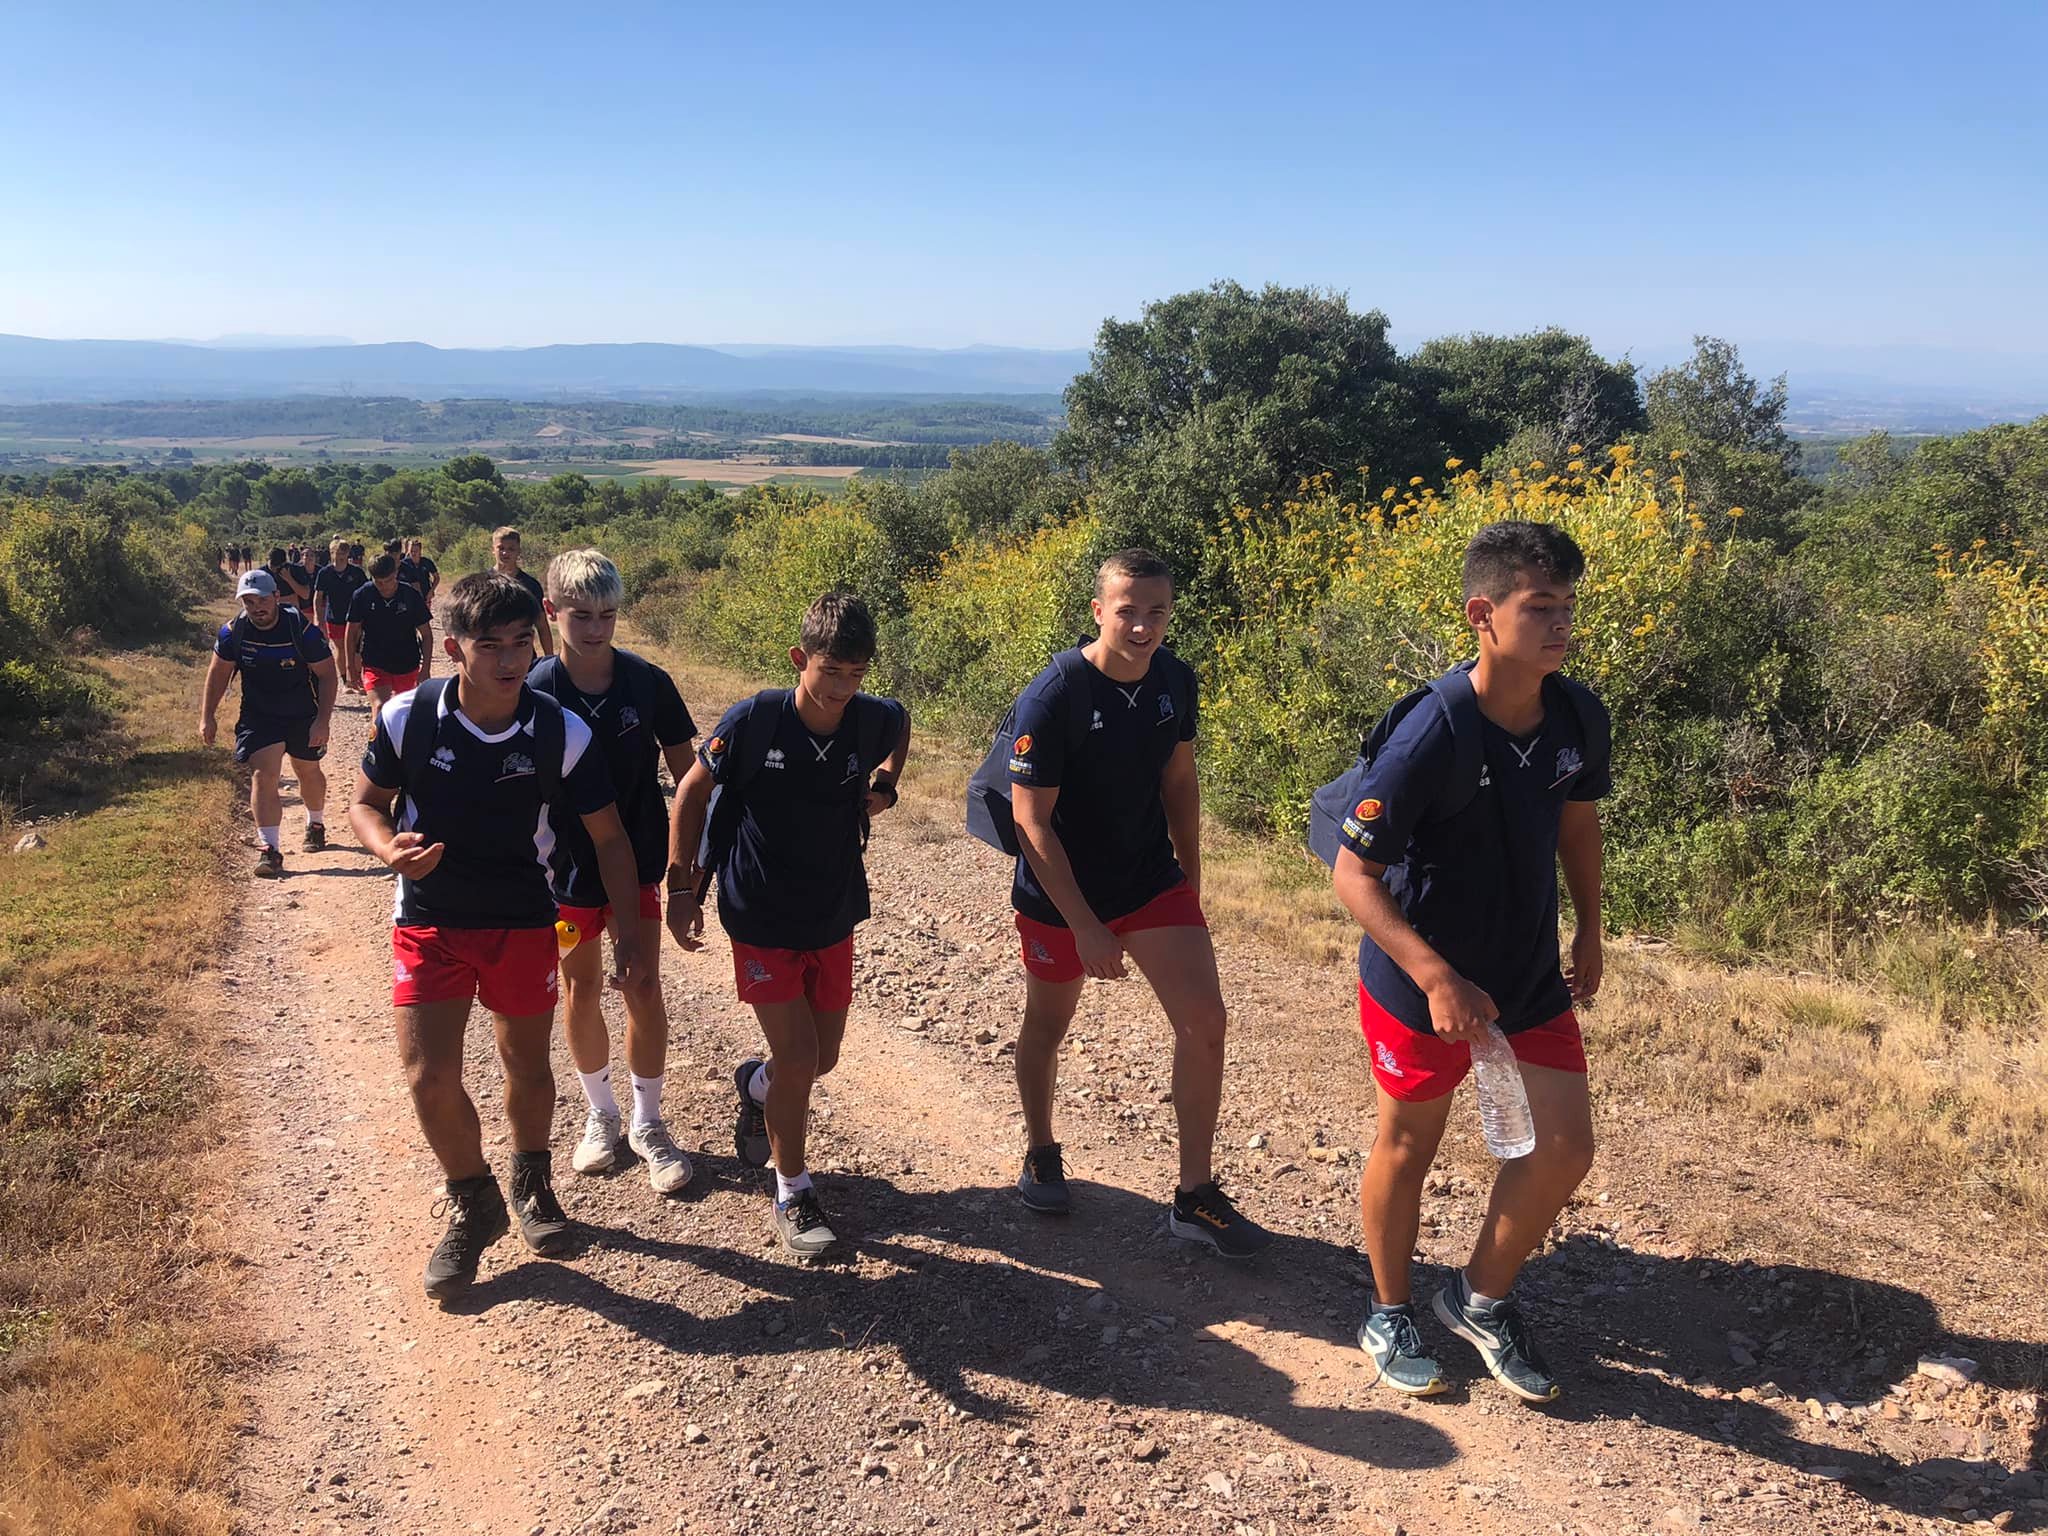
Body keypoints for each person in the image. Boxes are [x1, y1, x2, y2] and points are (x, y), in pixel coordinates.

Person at [1335, 521, 1610, 1405]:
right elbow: (1354, 873)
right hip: (1420, 981)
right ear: (1482, 615)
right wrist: (1434, 976)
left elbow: (1576, 823)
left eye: (1568, 605)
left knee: (1564, 1148)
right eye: (1540, 607)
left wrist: (1590, 929)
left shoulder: (1577, 713)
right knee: (1410, 1144)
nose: (1560, 624)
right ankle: (1389, 1308)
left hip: (1526, 971)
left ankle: (1480, 1298)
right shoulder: (1435, 730)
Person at [348, 572, 646, 1301]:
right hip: (429, 918)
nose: (511, 660)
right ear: (452, 647)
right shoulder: (406, 718)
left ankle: (530, 1179)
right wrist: (388, 850)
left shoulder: (559, 729)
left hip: (521, 921)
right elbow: (366, 804)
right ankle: (472, 1199)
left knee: (528, 1068)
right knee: (429, 1076)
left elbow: (609, 840)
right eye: (491, 645)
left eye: (521, 642)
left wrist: (631, 933)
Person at [996, 548, 1273, 1258]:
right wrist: (1087, 927)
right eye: (1128, 610)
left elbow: (1180, 781)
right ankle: (1040, 1151)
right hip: (1062, 894)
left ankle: (1194, 1195)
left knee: (1206, 1021)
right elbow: (1031, 822)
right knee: (1048, 1024)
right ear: (1099, 610)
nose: (1143, 626)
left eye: (1157, 612)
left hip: (1150, 878)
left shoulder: (1176, 681)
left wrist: (1192, 875)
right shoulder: (1055, 692)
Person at [667, 592, 909, 1260]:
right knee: (801, 1057)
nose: (841, 688)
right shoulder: (756, 720)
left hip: (832, 908)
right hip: (759, 910)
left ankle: (755, 1085)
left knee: (819, 1058)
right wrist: (681, 885)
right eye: (830, 671)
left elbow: (901, 724)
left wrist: (887, 785)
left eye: (856, 675)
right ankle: (793, 1189)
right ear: (800, 659)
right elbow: (692, 791)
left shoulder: (870, 718)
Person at [529, 550, 698, 1195]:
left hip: (639, 868)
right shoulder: (535, 688)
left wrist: (688, 874)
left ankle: (648, 1122)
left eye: (607, 614)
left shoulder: (648, 683)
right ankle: (600, 1115)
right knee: (581, 990)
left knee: (643, 984)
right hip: (562, 873)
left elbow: (690, 780)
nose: (597, 629)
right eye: (581, 616)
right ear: (553, 612)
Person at [199, 569, 339, 874]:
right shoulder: (234, 632)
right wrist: (207, 715)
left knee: (307, 771)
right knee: (263, 775)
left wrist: (323, 721)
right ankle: (270, 848)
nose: (256, 607)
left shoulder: (300, 630)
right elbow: (219, 673)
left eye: (262, 599)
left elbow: (328, 674)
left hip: (303, 711)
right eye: (249, 601)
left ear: (277, 596)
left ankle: (315, 822)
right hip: (259, 715)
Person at [489, 526, 554, 658]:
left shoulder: (530, 585)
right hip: (491, 654)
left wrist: (549, 659)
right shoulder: (484, 583)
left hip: (523, 656)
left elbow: (542, 625)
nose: (505, 553)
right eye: (501, 548)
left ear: (519, 551)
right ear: (493, 550)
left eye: (511, 549)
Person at [313, 536, 367, 663]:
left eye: (343, 552)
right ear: (331, 553)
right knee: (340, 649)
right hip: (334, 618)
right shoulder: (324, 573)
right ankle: (344, 679)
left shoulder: (357, 572)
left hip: (355, 617)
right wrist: (317, 618)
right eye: (337, 553)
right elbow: (318, 597)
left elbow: (366, 592)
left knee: (355, 649)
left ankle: (356, 677)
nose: (340, 556)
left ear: (348, 553)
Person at [267, 546, 312, 616]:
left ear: (285, 563)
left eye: (278, 567)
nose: (275, 569)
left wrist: (289, 579)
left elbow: (306, 595)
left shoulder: (297, 570)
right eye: (272, 566)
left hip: (292, 612)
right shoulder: (262, 573)